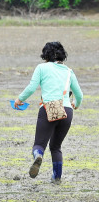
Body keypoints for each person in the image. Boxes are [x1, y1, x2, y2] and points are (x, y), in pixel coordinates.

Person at [14, 42, 83, 184]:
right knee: (56, 147)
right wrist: (75, 104)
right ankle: (57, 177)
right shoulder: (69, 71)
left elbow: (32, 87)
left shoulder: (42, 68)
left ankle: (38, 156)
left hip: (48, 109)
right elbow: (79, 95)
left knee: (39, 144)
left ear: (46, 56)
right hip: (66, 111)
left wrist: (19, 99)